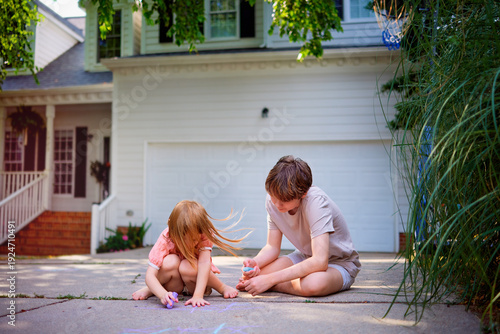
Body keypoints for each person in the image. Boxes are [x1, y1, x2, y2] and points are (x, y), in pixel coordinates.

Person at [236, 155, 361, 297]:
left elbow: (320, 261)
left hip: (339, 263)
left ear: (303, 193)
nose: (277, 204)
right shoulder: (273, 201)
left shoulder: (316, 202)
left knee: (314, 284)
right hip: (305, 256)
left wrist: (269, 280)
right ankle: (270, 282)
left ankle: (273, 285)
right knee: (254, 277)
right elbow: (272, 247)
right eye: (273, 196)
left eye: (284, 200)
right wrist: (255, 263)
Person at [133, 200, 248, 307]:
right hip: (174, 286)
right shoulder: (166, 238)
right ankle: (152, 289)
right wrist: (163, 295)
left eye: (194, 240)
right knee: (170, 261)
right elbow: (150, 275)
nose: (189, 245)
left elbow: (204, 263)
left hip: (195, 282)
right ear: (171, 228)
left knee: (187, 265)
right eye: (182, 240)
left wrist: (198, 295)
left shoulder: (204, 234)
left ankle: (222, 287)